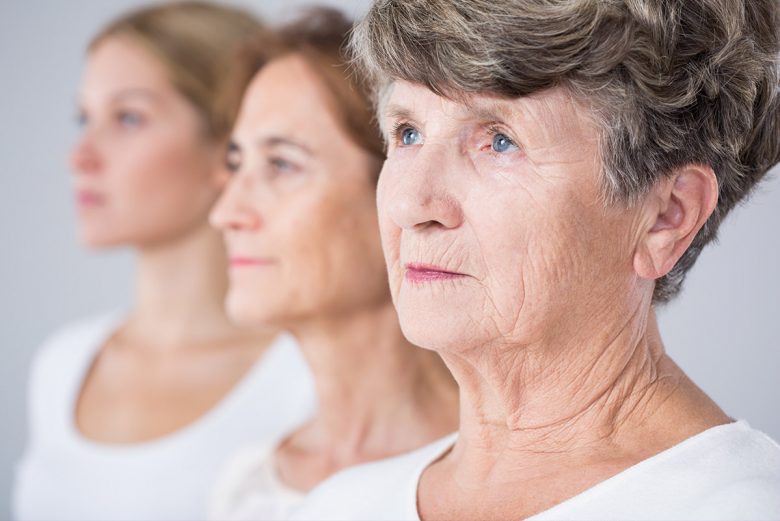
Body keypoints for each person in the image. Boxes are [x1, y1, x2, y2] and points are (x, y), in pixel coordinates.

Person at [291, 0, 780, 519]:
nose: (409, 203)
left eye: (499, 141)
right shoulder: (336, 505)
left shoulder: (739, 507)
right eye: (407, 133)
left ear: (666, 217)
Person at [13, 3, 314, 520]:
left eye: (129, 118)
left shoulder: (304, 383)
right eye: (85, 118)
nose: (79, 155)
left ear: (229, 147)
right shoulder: (62, 366)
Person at [207, 8, 459, 520]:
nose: (225, 213)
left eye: (282, 164)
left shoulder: (505, 477)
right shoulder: (247, 487)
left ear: (395, 190)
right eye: (237, 164)